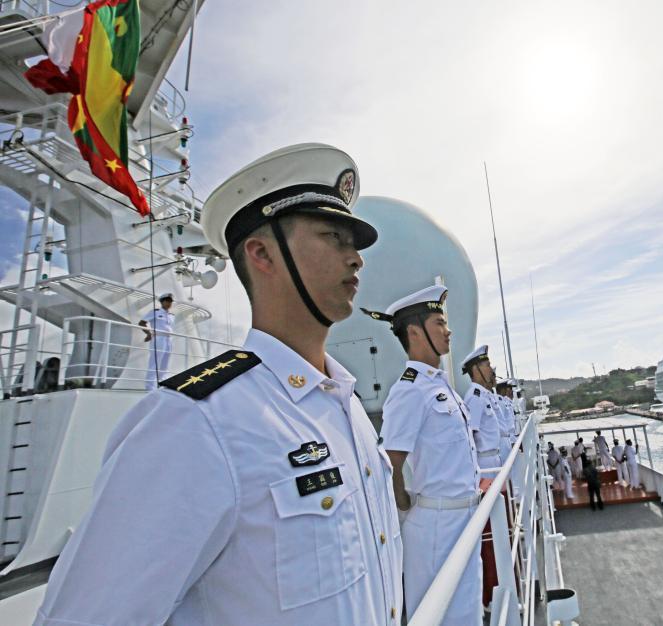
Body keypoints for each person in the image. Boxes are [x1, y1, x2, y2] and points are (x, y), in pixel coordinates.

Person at [35, 143, 403, 625]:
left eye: (353, 244)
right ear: (262, 253)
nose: (355, 259)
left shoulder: (344, 406)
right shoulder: (197, 421)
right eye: (333, 236)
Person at [364, 284, 482, 626]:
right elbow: (391, 463)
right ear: (414, 332)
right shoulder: (410, 390)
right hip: (437, 524)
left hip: (464, 515)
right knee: (441, 614)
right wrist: (404, 504)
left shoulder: (440, 385)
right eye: (439, 324)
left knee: (466, 610)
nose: (448, 331)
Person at [461, 346, 502, 470]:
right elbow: (470, 435)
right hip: (485, 463)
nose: (491, 370)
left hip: (493, 458)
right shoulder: (475, 397)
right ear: (476, 369)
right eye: (487, 365)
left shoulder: (483, 395)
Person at [138, 292, 175, 390]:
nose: (169, 303)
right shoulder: (155, 312)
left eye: (170, 301)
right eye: (166, 301)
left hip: (169, 340)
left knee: (165, 364)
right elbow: (142, 323)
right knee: (154, 363)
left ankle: (162, 385)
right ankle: (150, 387)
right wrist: (148, 333)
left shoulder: (172, 315)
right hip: (158, 339)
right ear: (162, 302)